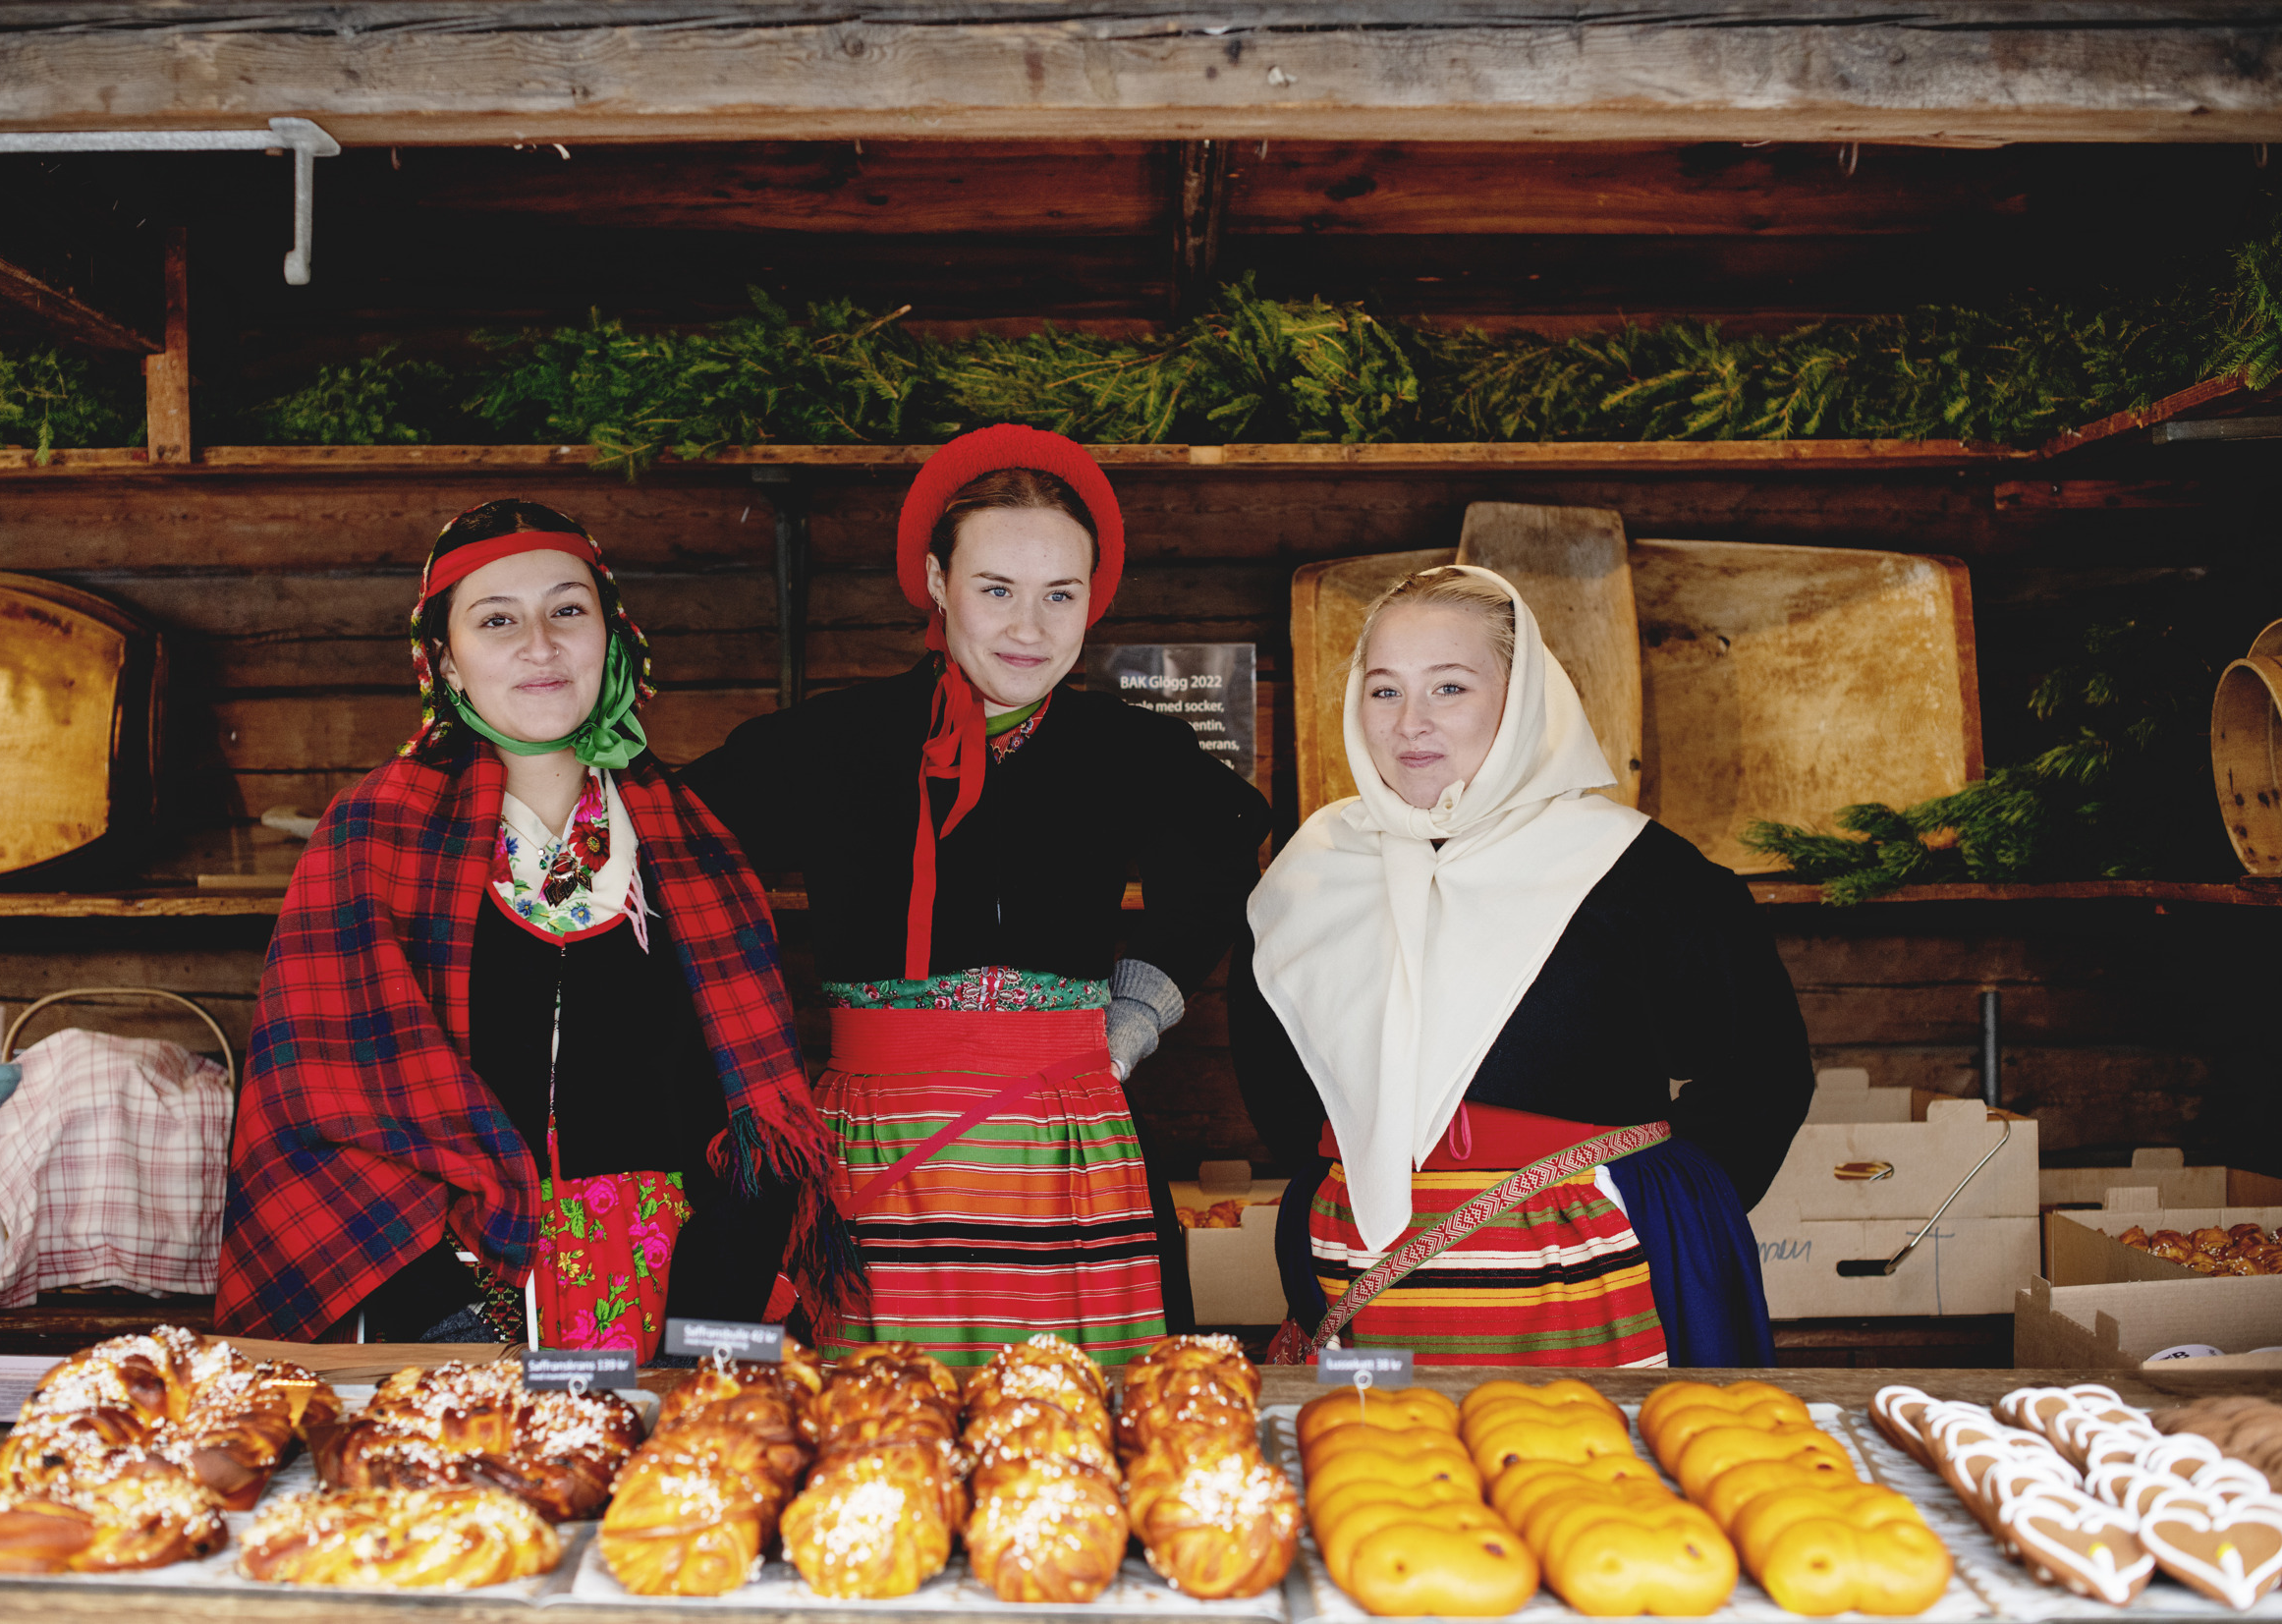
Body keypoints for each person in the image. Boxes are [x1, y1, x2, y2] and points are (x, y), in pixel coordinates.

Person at [683, 425, 1271, 1368]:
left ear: (1092, 599)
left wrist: (1140, 1007)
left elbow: (1221, 850)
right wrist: (753, 1065)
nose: (1028, 628)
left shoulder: (1125, 751)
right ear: (935, 579)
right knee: (877, 1429)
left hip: (1067, 1140)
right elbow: (680, 854)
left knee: (1079, 1430)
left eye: (1059, 595)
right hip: (878, 1143)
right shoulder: (831, 742)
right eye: (996, 589)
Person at [217, 499, 860, 1357]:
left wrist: (702, 1325)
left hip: (666, 1283)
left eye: (567, 609)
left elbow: (756, 1123)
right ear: (445, 659)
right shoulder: (373, 836)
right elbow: (312, 1114)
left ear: (612, 635)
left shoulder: (694, 844)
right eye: (497, 620)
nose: (540, 644)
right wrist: (456, 1322)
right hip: (447, 1291)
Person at [1235, 564, 1812, 1368]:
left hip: (1590, 1278)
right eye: (1384, 689)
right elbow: (1280, 1086)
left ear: (1522, 697)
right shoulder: (1307, 878)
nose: (1411, 724)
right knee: (1376, 1486)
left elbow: (1764, 1067)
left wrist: (1646, 1201)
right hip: (1367, 1278)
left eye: (1449, 688)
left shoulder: (1633, 870)